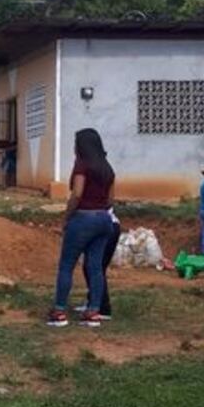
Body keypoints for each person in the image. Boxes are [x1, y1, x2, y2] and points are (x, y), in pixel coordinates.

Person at [47, 128, 116, 328]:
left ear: (81, 146)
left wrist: (67, 217)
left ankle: (59, 311)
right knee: (95, 267)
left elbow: (77, 193)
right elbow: (111, 198)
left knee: (67, 265)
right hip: (104, 220)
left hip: (83, 218)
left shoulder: (82, 165)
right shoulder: (107, 168)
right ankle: (94, 312)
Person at [80, 208, 120, 321]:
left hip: (101, 225)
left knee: (95, 268)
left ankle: (102, 307)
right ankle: (93, 302)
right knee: (93, 267)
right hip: (108, 224)